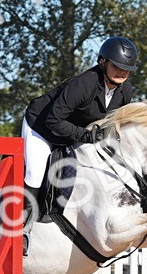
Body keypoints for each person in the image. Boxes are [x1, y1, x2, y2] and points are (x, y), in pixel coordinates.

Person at [22, 36, 139, 199]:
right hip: (41, 127)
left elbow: (115, 122)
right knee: (35, 176)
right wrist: (84, 135)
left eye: (127, 69)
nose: (122, 72)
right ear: (103, 62)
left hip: (74, 131)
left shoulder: (125, 90)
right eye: (117, 66)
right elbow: (53, 120)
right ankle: (21, 219)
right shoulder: (84, 84)